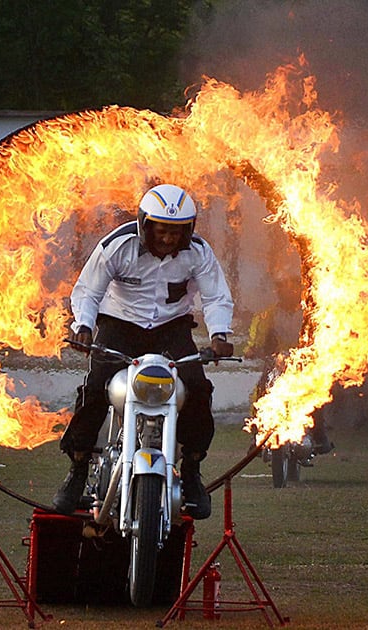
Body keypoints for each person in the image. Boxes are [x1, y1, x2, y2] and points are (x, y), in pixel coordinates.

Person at [53, 184, 235, 520]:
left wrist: (220, 334)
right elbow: (89, 291)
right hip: (119, 326)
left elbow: (215, 296)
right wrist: (83, 326)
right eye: (162, 230)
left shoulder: (198, 252)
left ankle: (192, 470)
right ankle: (77, 469)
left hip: (172, 329)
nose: (168, 239)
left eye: (176, 232)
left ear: (189, 230)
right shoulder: (117, 246)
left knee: (197, 389)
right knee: (95, 390)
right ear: (145, 225)